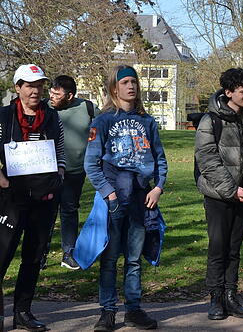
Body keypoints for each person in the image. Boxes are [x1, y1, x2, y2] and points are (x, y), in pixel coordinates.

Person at [84, 65, 168, 331]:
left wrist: (158, 187)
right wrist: (108, 193)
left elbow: (160, 160)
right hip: (113, 199)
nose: (130, 86)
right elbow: (91, 163)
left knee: (134, 259)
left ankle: (133, 309)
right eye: (125, 82)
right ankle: (107, 310)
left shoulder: (148, 122)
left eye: (134, 82)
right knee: (109, 259)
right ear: (114, 88)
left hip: (141, 199)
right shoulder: (102, 121)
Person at [194, 68, 243, 320]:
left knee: (234, 248)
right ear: (228, 92)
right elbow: (207, 160)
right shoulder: (210, 120)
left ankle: (230, 295)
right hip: (218, 196)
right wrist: (232, 190)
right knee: (218, 247)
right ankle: (216, 297)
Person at [0, 64, 65, 332]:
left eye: (39, 85)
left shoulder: (51, 117)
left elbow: (60, 148)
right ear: (18, 88)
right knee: (2, 254)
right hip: (9, 196)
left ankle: (22, 312)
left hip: (44, 196)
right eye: (29, 85)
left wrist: (60, 171)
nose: (35, 91)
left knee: (33, 257)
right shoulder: (3, 116)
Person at [48, 74, 99, 271]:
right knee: (46, 213)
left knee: (69, 211)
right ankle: (40, 254)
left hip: (76, 172)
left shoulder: (87, 108)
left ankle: (69, 253)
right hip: (49, 173)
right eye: (51, 92)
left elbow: (102, 129)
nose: (52, 96)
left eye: (57, 94)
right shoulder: (45, 108)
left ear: (69, 96)